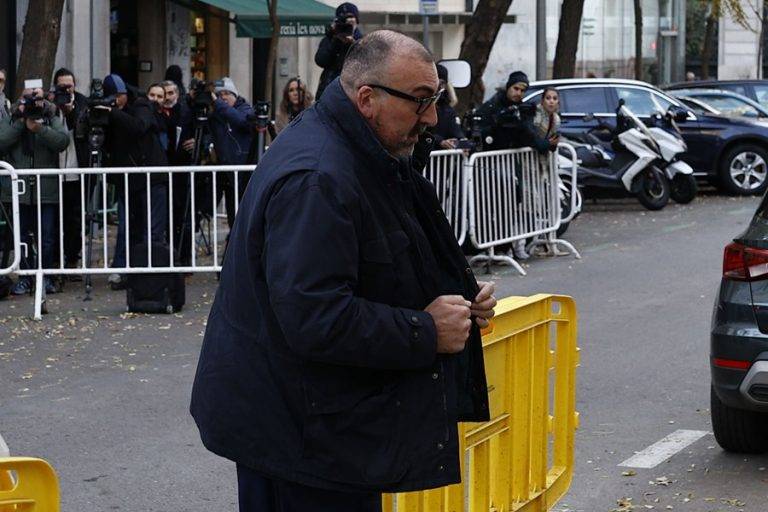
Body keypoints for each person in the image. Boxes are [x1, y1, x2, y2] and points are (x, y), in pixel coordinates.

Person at [190, 30, 496, 511]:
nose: (432, 118)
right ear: (368, 98)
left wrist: (455, 294)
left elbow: (383, 255)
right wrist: (426, 329)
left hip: (320, 428)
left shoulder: (363, 152)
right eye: (420, 101)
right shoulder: (320, 177)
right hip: (298, 439)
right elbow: (313, 316)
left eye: (435, 98)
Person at [0, 82, 69, 295]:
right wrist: (22, 122)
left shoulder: (51, 116)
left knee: (47, 237)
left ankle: (45, 277)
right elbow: (1, 141)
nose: (32, 103)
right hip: (19, 190)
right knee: (21, 238)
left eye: (36, 98)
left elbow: (62, 141)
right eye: (28, 98)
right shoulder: (12, 117)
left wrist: (40, 128)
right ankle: (25, 277)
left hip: (46, 189)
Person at [103, 74, 169, 289]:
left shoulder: (141, 105)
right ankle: (123, 270)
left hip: (151, 177)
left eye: (118, 96)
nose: (114, 101)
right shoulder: (110, 112)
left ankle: (152, 273)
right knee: (126, 227)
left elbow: (138, 126)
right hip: (128, 179)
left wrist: (112, 113)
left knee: (152, 229)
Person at [52, 68, 90, 278]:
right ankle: (56, 261)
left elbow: (83, 126)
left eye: (69, 86)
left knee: (75, 218)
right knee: (55, 218)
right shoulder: (51, 104)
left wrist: (70, 111)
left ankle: (72, 259)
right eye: (62, 86)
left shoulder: (83, 103)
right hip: (55, 170)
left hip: (76, 168)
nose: (66, 90)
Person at [208, 77, 254, 229]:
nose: (224, 97)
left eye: (227, 93)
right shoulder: (216, 114)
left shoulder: (245, 108)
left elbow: (241, 121)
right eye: (220, 95)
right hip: (225, 172)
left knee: (241, 215)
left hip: (242, 173)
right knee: (231, 215)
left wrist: (218, 104)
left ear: (235, 95)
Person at [475, 70, 555, 152]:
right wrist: (498, 122)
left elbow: (527, 135)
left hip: (512, 158)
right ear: (508, 87)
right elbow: (480, 130)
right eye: (516, 88)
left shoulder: (523, 108)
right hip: (492, 156)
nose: (518, 93)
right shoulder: (493, 105)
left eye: (522, 90)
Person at [161, 79, 196, 266]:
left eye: (171, 93)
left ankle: (184, 259)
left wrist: (197, 143)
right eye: (164, 94)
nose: (167, 98)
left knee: (183, 217)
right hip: (162, 171)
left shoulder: (186, 113)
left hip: (182, 172)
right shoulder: (157, 113)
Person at [314, 2, 363, 100]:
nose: (346, 25)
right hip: (327, 92)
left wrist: (353, 44)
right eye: (343, 21)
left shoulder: (362, 42)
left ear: (356, 21)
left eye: (350, 19)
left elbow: (364, 65)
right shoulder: (331, 39)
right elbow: (320, 60)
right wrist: (335, 41)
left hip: (350, 94)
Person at [432, 64, 464, 150]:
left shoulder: (447, 110)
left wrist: (462, 143)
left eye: (442, 83)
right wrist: (440, 141)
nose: (439, 86)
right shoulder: (420, 105)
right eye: (437, 82)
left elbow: (456, 132)